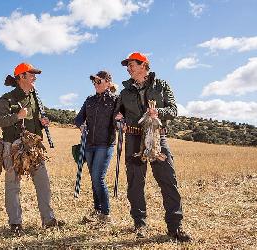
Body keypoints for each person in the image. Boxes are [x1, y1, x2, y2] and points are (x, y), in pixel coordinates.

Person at [115, 52, 191, 241]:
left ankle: (175, 227)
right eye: (128, 66)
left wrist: (158, 111)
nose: (128, 68)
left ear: (144, 65)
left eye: (132, 64)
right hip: (133, 138)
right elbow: (117, 115)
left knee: (168, 180)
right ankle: (139, 224)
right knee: (135, 183)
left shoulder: (162, 85)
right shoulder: (124, 92)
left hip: (158, 137)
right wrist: (119, 120)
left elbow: (173, 111)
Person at [0, 62, 63, 235]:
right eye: (31, 75)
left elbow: (34, 119)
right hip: (13, 147)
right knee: (13, 185)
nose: (34, 77)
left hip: (33, 147)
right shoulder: (6, 99)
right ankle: (15, 224)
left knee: (43, 184)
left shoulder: (35, 97)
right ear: (21, 77)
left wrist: (42, 122)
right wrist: (17, 116)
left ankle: (48, 220)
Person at [74, 71, 118, 223]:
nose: (95, 84)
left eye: (98, 81)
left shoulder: (115, 101)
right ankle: (97, 210)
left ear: (108, 82)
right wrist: (81, 126)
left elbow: (119, 121)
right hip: (89, 144)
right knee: (94, 178)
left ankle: (106, 214)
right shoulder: (89, 100)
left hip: (105, 144)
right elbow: (79, 118)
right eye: (94, 82)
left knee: (98, 177)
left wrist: (120, 120)